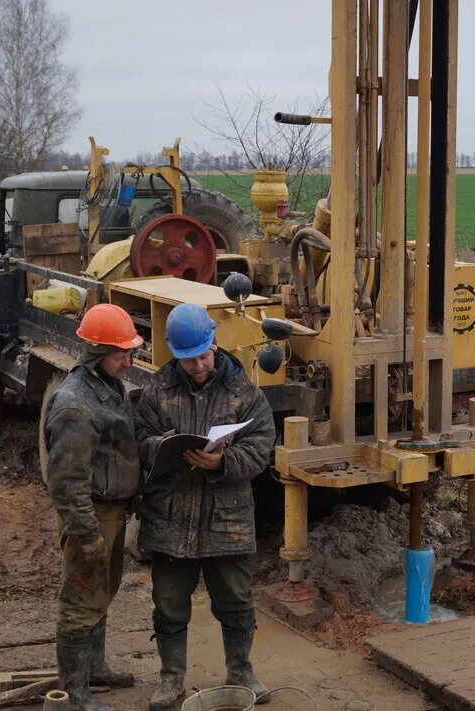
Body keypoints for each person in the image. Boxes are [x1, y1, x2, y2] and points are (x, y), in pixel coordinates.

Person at [135, 303, 277, 710]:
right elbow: (140, 439)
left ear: (214, 342)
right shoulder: (157, 391)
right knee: (168, 602)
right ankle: (171, 679)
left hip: (226, 519)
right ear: (173, 354)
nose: (198, 365)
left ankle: (241, 671)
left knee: (235, 599)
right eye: (188, 358)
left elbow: (261, 447)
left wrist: (223, 461)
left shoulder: (244, 394)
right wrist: (160, 447)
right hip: (170, 518)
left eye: (203, 354)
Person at [45, 304, 143, 711]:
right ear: (97, 352)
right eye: (122, 354)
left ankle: (96, 668)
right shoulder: (75, 405)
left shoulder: (107, 385)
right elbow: (67, 483)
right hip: (93, 514)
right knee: (81, 600)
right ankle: (75, 691)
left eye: (129, 353)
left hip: (113, 510)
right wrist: (86, 535)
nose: (129, 362)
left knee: (102, 592)